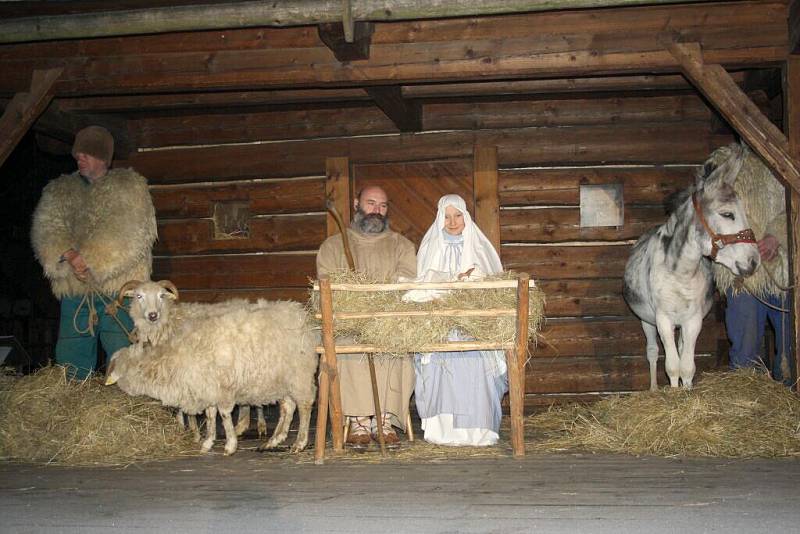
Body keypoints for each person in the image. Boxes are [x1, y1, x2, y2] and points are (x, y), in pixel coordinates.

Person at [31, 126, 157, 379]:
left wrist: (90, 261)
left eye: (87, 153)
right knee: (71, 352)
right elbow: (46, 226)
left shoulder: (130, 188)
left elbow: (132, 233)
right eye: (78, 153)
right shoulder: (59, 191)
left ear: (103, 158)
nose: (80, 157)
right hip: (74, 289)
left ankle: (127, 406)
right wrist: (67, 254)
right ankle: (75, 406)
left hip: (116, 290)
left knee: (123, 352)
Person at [316, 185, 417, 447]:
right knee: (347, 345)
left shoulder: (401, 245)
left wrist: (380, 304)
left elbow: (407, 279)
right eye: (371, 203)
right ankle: (359, 421)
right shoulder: (334, 245)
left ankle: (384, 420)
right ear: (356, 204)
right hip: (349, 321)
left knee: (397, 346)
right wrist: (354, 303)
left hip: (388, 319)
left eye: (383, 206)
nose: (377, 211)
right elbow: (326, 283)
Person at [410, 194, 508, 446]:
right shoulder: (431, 246)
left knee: (476, 365)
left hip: (473, 323)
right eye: (447, 216)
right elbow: (422, 284)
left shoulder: (480, 247)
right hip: (440, 321)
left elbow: (491, 284)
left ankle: (479, 430)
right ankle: (444, 431)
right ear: (439, 218)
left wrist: (470, 282)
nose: (453, 222)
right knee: (441, 366)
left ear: (465, 216)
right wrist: (445, 283)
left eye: (457, 216)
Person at [710, 143, 794, 386]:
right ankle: (746, 413)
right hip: (743, 278)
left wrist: (777, 236)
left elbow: (793, 209)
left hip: (781, 272)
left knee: (791, 350)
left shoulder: (783, 167)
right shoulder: (723, 167)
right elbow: (711, 213)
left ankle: (790, 409)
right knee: (745, 351)